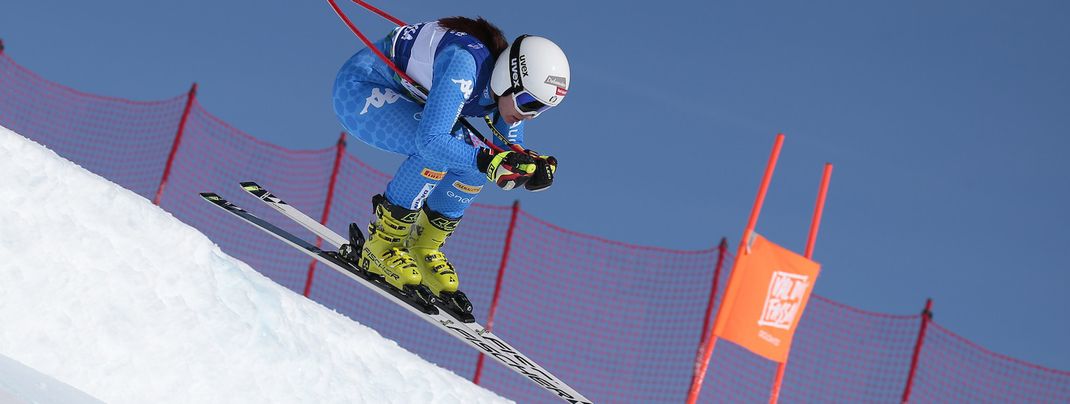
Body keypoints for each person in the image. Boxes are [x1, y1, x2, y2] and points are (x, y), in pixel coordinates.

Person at [332, 16, 570, 314]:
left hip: (406, 98)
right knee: (447, 150)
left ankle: (422, 248)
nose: (529, 115)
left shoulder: (503, 89)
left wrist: (531, 165)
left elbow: (503, 150)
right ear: (509, 80)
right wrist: (491, 160)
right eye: (528, 103)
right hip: (360, 90)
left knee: (475, 161)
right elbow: (431, 141)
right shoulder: (464, 63)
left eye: (542, 109)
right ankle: (382, 246)